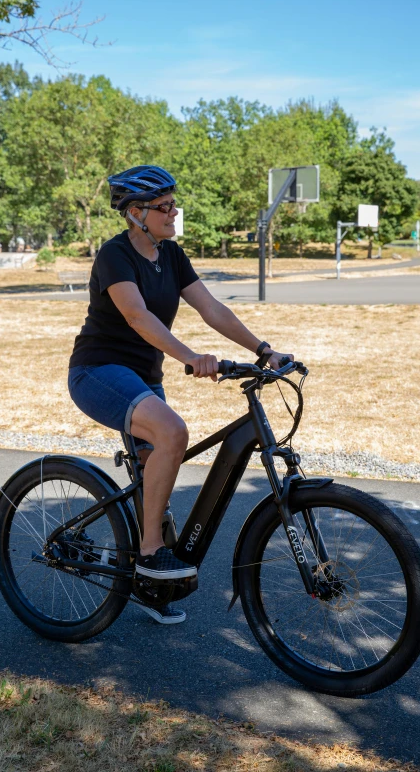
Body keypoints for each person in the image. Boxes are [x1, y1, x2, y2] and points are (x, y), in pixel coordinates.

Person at [68, 165, 293, 624]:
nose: (173, 213)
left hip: (143, 378)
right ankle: (150, 551)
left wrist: (263, 350)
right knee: (172, 431)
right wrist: (190, 356)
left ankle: (149, 585)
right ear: (135, 213)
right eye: (163, 207)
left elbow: (211, 307)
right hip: (97, 371)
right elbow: (137, 317)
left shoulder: (170, 254)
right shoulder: (114, 256)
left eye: (174, 205)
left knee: (158, 476)